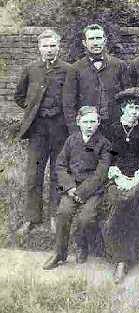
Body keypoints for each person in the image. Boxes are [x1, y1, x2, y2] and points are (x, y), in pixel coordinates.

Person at [14, 29, 74, 235]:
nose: (49, 50)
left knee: (58, 173)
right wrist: (34, 110)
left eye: (53, 46)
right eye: (45, 46)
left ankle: (55, 216)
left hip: (60, 130)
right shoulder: (30, 69)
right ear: (39, 47)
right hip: (38, 130)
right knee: (34, 173)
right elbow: (19, 96)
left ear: (59, 47)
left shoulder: (68, 70)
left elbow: (72, 98)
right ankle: (31, 218)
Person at [42, 106, 112, 270]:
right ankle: (59, 253)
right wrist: (70, 187)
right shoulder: (71, 140)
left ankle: (82, 246)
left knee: (85, 218)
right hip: (72, 188)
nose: (89, 125)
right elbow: (60, 165)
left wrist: (83, 192)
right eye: (86, 122)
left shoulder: (104, 144)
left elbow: (101, 173)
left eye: (93, 122)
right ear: (78, 122)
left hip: (93, 190)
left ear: (98, 123)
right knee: (63, 213)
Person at [101, 87, 139, 284]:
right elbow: (106, 157)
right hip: (115, 177)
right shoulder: (111, 130)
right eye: (131, 107)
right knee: (119, 201)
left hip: (138, 179)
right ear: (123, 108)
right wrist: (117, 175)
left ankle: (128, 256)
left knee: (133, 198)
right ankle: (120, 259)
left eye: (138, 108)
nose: (134, 112)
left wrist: (138, 176)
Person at [63, 24, 127, 133]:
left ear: (104, 40)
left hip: (115, 126)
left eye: (98, 38)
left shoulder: (119, 65)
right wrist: (74, 129)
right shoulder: (75, 69)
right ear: (85, 43)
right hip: (87, 127)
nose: (95, 42)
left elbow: (127, 97)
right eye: (91, 39)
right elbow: (69, 103)